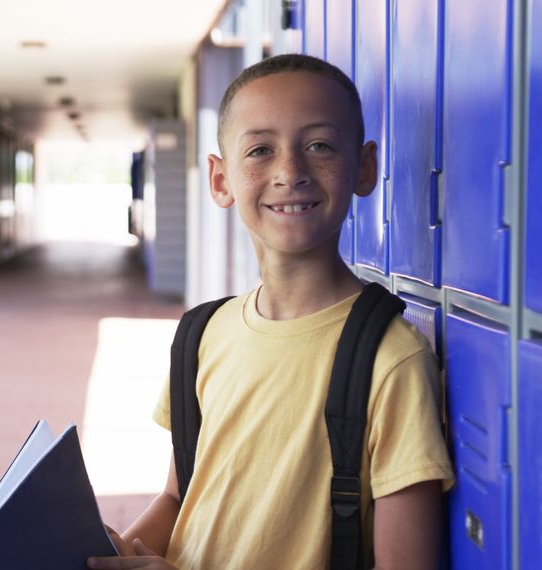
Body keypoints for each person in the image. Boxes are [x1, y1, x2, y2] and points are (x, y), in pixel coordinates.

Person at [87, 54, 454, 569]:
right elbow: (177, 499)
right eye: (260, 150)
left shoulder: (390, 361)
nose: (289, 172)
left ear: (364, 167)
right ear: (222, 180)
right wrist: (119, 552)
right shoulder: (202, 335)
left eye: (320, 146)